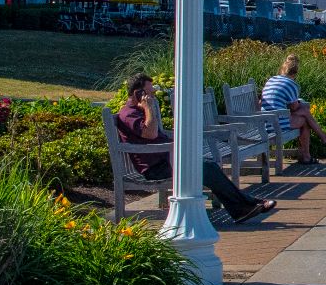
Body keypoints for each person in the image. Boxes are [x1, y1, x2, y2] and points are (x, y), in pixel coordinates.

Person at [116, 73, 276, 223]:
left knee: (209, 166)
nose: (152, 96)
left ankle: (244, 207)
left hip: (168, 161)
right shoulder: (129, 114)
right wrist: (148, 107)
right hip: (156, 169)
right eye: (149, 93)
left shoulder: (140, 111)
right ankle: (244, 207)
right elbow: (150, 134)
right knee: (205, 168)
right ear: (138, 94)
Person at [260, 55, 326, 164]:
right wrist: (300, 104)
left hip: (265, 121)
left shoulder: (271, 80)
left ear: (282, 70)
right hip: (276, 124)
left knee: (304, 113)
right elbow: (294, 107)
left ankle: (320, 143)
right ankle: (316, 146)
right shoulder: (291, 84)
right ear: (295, 74)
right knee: (304, 117)